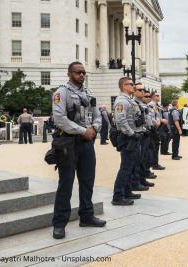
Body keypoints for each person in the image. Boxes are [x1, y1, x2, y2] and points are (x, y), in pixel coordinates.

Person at [51, 61, 106, 239]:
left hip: (87, 144)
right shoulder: (62, 92)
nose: (82, 75)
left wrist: (95, 129)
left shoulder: (88, 92)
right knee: (66, 184)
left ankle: (87, 216)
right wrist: (84, 131)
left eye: (83, 72)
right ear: (69, 74)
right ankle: (59, 223)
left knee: (87, 181)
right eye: (77, 72)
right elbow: (60, 119)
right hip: (68, 143)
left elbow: (97, 115)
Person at [112, 77, 147, 207]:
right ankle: (118, 196)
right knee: (126, 168)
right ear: (123, 86)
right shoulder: (122, 101)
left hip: (133, 136)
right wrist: (132, 134)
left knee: (131, 166)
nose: (133, 86)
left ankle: (127, 191)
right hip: (128, 138)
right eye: (131, 84)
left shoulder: (129, 101)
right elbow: (120, 121)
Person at [149, 92, 165, 170]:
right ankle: (154, 164)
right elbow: (152, 117)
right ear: (152, 97)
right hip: (154, 128)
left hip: (157, 127)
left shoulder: (156, 105)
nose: (158, 97)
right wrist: (160, 120)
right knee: (154, 147)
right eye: (157, 95)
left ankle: (155, 163)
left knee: (156, 146)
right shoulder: (151, 105)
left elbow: (157, 115)